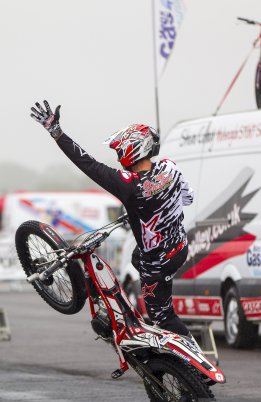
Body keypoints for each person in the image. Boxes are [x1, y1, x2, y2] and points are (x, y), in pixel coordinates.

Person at [30, 100, 194, 340]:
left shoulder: (128, 184)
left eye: (119, 152)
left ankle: (194, 362)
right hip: (179, 246)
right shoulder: (170, 168)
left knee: (163, 317)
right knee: (137, 257)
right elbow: (187, 199)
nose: (118, 158)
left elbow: (88, 164)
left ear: (132, 150)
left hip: (157, 264)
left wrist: (57, 133)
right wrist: (151, 209)